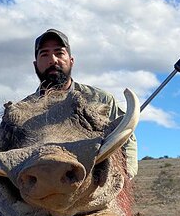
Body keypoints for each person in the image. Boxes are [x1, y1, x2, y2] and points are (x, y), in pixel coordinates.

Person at [28, 28, 138, 178]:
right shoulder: (23, 109)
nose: (53, 60)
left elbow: (126, 137)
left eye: (59, 53)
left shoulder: (101, 99)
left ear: (71, 61)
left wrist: (126, 175)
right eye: (44, 54)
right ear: (35, 65)